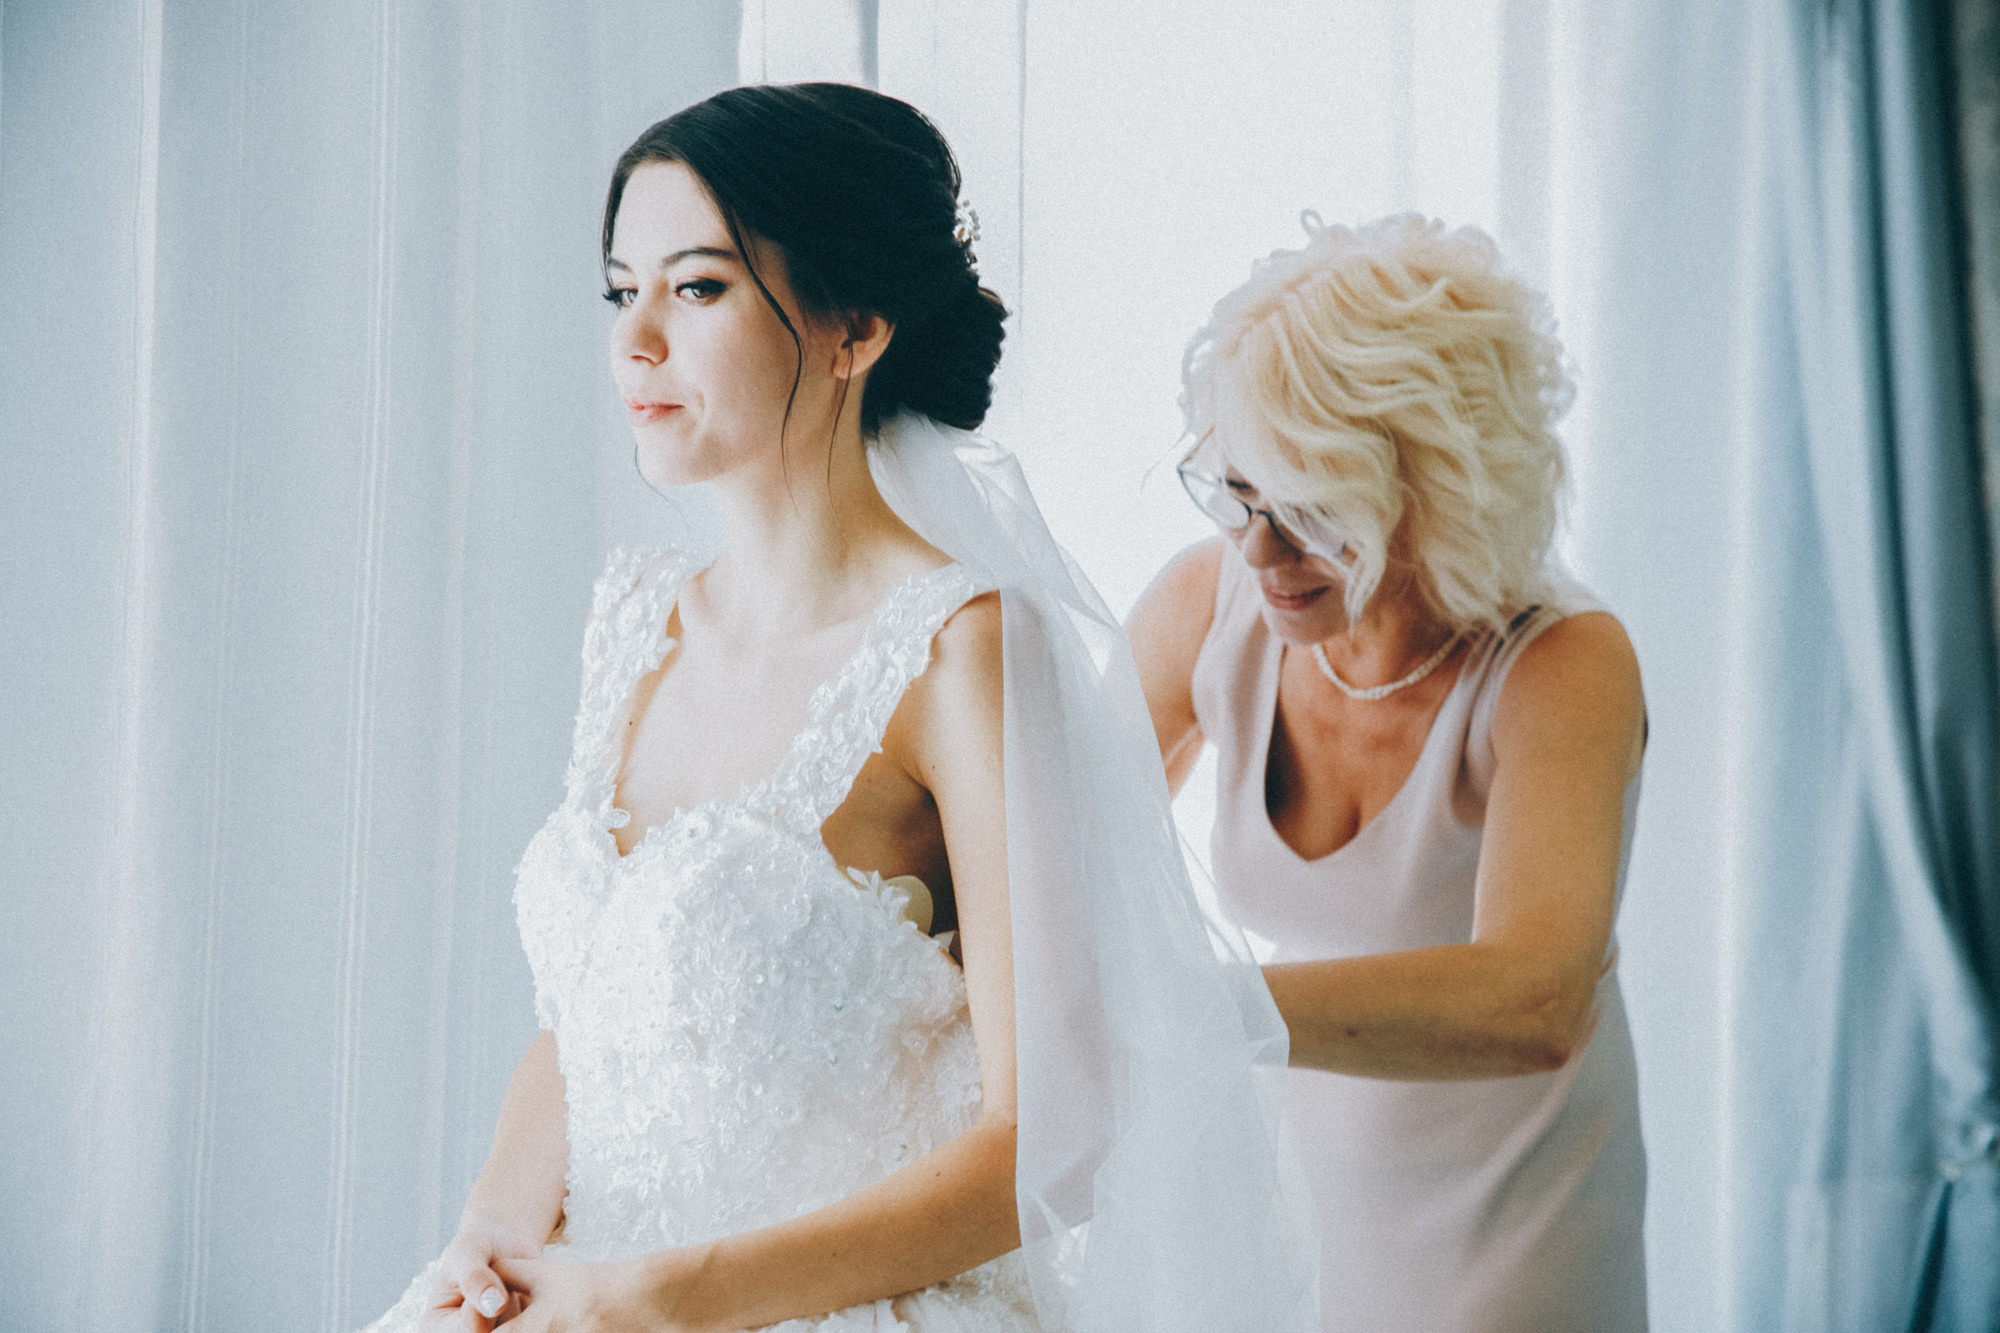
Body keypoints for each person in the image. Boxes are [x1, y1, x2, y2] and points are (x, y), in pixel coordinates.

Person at [360, 84, 1315, 1333]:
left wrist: (668, 1298)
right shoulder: (633, 623)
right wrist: (490, 1231)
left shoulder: (961, 648)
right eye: (620, 290)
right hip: (584, 1294)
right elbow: (590, 1022)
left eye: (696, 288)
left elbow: (1055, 1134)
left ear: (853, 327)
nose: (634, 341)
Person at [1127, 213, 1649, 1332]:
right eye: (1234, 493)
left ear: (1440, 486)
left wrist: (1199, 1009)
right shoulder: (1207, 606)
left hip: (1516, 1212)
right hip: (1296, 1188)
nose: (1259, 552)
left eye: (1311, 511)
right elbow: (1041, 839)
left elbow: (1533, 999)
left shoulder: (1556, 664)